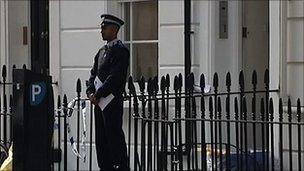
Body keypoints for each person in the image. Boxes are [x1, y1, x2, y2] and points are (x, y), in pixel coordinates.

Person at [86, 14, 129, 171]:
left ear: (114, 29)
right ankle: (104, 167)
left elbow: (115, 77)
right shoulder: (101, 51)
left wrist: (98, 94)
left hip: (111, 101)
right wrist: (90, 91)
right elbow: (93, 74)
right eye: (101, 27)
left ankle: (119, 166)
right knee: (101, 139)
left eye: (104, 28)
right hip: (99, 103)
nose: (101, 31)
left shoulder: (121, 51)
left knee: (114, 136)